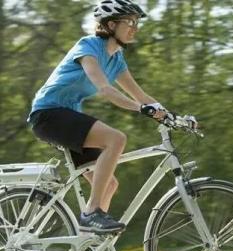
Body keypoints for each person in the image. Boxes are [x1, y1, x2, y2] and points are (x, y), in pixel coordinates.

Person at [27, 0, 171, 234]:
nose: (135, 27)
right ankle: (91, 212)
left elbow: (141, 95)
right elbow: (105, 89)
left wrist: (171, 116)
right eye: (130, 22)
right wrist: (141, 109)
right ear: (111, 25)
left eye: (136, 22)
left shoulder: (116, 59)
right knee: (116, 139)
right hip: (48, 115)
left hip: (67, 117)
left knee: (109, 184)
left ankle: (87, 248)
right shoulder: (89, 47)